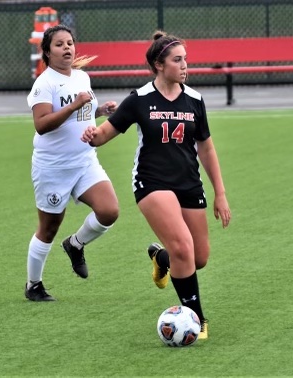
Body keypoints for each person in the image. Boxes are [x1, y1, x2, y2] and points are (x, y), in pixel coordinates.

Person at [80, 30, 232, 339]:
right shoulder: (140, 99)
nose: (184, 65)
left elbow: (206, 148)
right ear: (158, 65)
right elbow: (105, 133)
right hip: (152, 182)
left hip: (188, 182)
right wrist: (91, 135)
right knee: (183, 247)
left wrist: (221, 193)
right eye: (177, 60)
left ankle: (161, 258)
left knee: (197, 257)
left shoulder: (195, 100)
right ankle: (196, 320)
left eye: (185, 59)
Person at [24, 24, 119, 301]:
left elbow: (82, 116)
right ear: (47, 52)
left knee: (109, 211)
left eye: (70, 43)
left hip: (84, 160)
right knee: (49, 227)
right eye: (59, 44)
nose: (67, 48)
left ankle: (75, 244)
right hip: (53, 166)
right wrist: (74, 106)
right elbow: (41, 125)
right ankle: (33, 286)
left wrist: (99, 111)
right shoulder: (45, 83)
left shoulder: (82, 77)